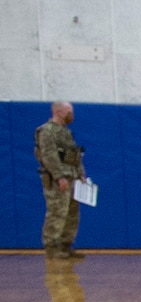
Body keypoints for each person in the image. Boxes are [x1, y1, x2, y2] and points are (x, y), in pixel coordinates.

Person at [36, 101, 87, 260]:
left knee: (72, 214)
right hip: (59, 179)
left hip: (72, 177)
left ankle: (65, 247)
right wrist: (59, 177)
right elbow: (49, 155)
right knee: (57, 213)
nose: (71, 114)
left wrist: (80, 174)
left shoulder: (65, 132)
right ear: (58, 112)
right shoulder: (47, 131)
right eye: (68, 111)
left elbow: (73, 156)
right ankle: (52, 249)